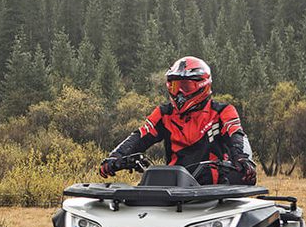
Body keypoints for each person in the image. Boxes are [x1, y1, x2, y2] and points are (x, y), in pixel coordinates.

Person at [99, 56, 257, 185]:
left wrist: (241, 158)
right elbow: (140, 135)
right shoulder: (164, 113)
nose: (179, 93)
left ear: (202, 85)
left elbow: (236, 134)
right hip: (173, 187)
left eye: (185, 87)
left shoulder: (222, 111)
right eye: (174, 87)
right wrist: (116, 156)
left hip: (213, 190)